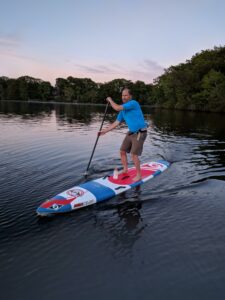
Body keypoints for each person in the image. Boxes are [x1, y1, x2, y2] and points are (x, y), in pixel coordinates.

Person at [99, 88, 147, 182]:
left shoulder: (133, 103)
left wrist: (110, 100)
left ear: (130, 96)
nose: (123, 97)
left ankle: (139, 175)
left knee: (133, 155)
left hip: (140, 133)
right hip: (131, 132)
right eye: (122, 95)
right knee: (122, 151)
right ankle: (125, 170)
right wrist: (105, 131)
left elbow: (116, 108)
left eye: (125, 95)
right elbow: (116, 122)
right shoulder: (123, 110)